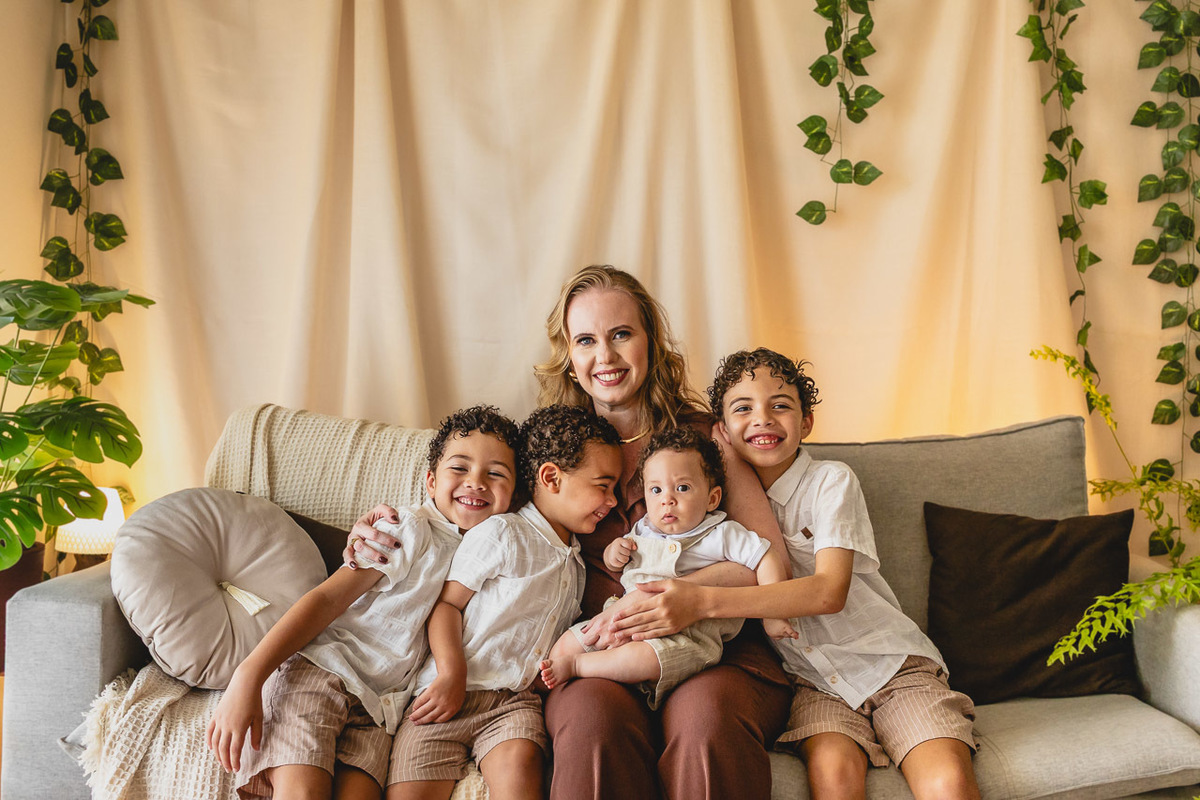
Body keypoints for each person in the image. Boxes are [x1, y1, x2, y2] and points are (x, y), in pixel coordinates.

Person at [349, 265, 792, 799]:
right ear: (569, 355)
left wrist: (694, 598)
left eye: (621, 334)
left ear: (651, 340)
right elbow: (464, 509)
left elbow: (771, 567)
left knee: (705, 719)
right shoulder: (551, 447)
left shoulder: (707, 441)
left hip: (715, 650)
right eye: (586, 340)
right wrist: (380, 526)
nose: (604, 356)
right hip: (597, 650)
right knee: (588, 721)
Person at [625, 347, 981, 799]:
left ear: (806, 421)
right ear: (722, 433)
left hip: (890, 665)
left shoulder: (831, 481)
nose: (763, 419)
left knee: (946, 780)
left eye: (780, 405)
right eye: (743, 409)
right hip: (814, 684)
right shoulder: (712, 509)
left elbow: (829, 592)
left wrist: (702, 600)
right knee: (834, 780)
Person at [207, 406, 521, 800]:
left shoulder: (502, 550)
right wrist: (249, 676)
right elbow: (325, 599)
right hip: (323, 674)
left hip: (379, 711)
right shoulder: (405, 529)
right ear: (430, 481)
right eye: (459, 468)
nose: (476, 482)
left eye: (495, 474)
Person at [389, 404, 623, 800]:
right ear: (551, 477)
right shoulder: (503, 532)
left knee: (520, 775)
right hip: (446, 689)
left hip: (513, 705)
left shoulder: (578, 563)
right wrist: (452, 674)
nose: (613, 500)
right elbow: (446, 607)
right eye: (603, 485)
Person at [538, 426, 794, 708]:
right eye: (656, 490)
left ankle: (580, 667)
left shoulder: (721, 534)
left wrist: (774, 614)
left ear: (712, 498)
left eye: (682, 488)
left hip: (685, 636)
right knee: (571, 640)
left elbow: (765, 557)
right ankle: (549, 676)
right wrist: (615, 553)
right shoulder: (644, 529)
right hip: (623, 617)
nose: (667, 499)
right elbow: (619, 559)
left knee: (645, 658)